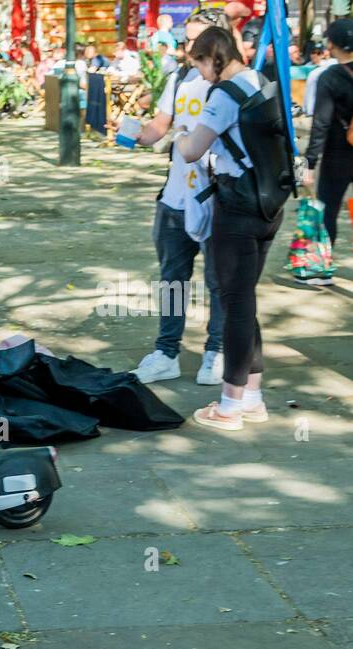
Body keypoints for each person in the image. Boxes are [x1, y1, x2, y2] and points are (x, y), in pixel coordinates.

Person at [175, 25, 281, 431]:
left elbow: (193, 150)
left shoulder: (222, 95)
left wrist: (182, 132)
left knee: (235, 306)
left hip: (236, 208)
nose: (200, 74)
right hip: (269, 204)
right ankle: (252, 397)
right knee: (244, 301)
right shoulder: (259, 79)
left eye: (199, 64)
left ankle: (229, 405)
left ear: (211, 57)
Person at [125, 8, 229, 386]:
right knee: (172, 279)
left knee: (220, 280)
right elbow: (161, 124)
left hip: (219, 199)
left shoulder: (238, 82)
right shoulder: (181, 77)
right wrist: (136, 134)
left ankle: (216, 351)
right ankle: (167, 351)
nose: (189, 47)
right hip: (174, 197)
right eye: (187, 39)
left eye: (197, 40)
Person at [302, 18, 353, 247]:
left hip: (337, 155)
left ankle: (324, 263)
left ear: (330, 45)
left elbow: (321, 123)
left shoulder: (329, 77)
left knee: (328, 208)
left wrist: (310, 163)